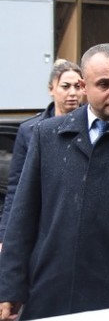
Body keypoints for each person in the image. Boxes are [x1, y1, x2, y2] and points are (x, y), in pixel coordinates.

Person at [0, 44, 109, 321]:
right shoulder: (47, 135)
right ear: (84, 86)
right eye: (104, 84)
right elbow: (23, 217)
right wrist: (10, 287)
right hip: (49, 294)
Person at [0, 60, 85, 247]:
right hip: (43, 223)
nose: (73, 93)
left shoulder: (93, 127)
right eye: (65, 86)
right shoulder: (30, 130)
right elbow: (16, 187)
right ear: (51, 89)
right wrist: (5, 236)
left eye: (78, 87)